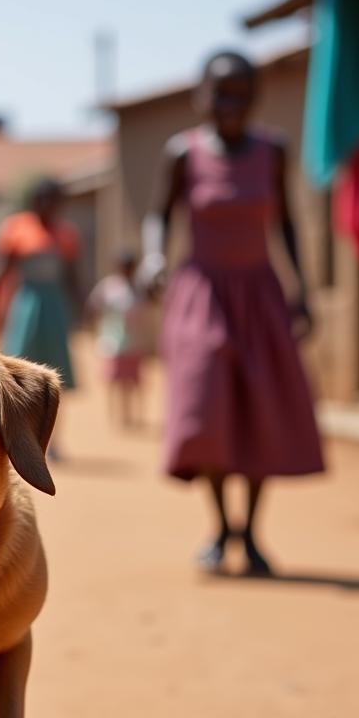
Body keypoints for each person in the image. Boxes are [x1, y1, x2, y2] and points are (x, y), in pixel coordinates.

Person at [142, 50, 324, 575]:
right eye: (221, 92)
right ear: (202, 95)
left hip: (260, 296)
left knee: (261, 410)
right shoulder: (184, 152)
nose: (231, 103)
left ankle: (253, 532)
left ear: (254, 98)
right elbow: (159, 214)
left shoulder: (273, 151)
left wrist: (303, 289)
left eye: (242, 94)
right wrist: (155, 257)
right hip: (201, 296)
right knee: (209, 408)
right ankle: (221, 527)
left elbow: (286, 222)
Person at [0, 178, 82, 459]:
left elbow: (72, 277)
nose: (49, 206)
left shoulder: (66, 235)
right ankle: (19, 437)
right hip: (27, 305)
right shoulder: (17, 229)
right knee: (19, 370)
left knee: (53, 376)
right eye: (44, 199)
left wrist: (81, 309)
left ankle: (51, 440)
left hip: (54, 308)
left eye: (54, 200)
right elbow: (1, 269)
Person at [86, 249, 147, 428]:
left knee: (132, 382)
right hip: (113, 341)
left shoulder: (139, 288)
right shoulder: (109, 286)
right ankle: (114, 416)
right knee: (114, 381)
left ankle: (131, 416)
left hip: (135, 341)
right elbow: (94, 306)